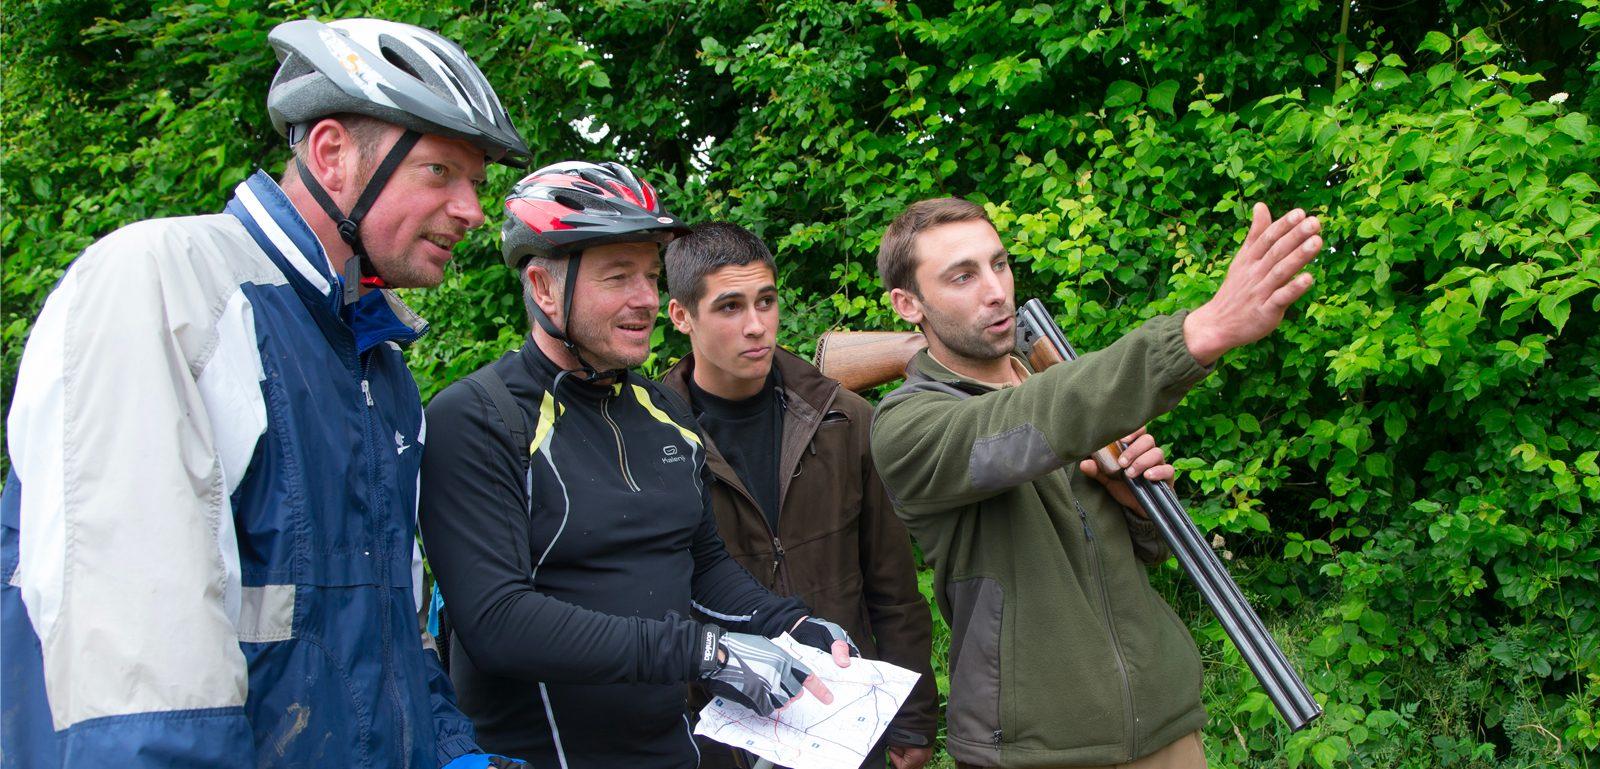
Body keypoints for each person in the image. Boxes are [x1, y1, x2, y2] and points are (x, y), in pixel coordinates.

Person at [0, 18, 532, 769]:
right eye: (442, 172)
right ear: (332, 154)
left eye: (476, 182)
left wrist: (452, 753)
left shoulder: (378, 369)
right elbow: (139, 679)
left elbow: (381, 637)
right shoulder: (168, 284)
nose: (473, 210)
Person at [417, 162, 855, 769]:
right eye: (618, 277)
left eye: (651, 276)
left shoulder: (662, 409)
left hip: (671, 750)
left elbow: (702, 564)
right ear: (544, 288)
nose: (646, 299)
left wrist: (791, 624)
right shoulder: (476, 418)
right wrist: (707, 652)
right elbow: (496, 622)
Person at [868, 197, 1323, 769]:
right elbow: (1021, 426)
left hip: (1163, 725)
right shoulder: (908, 425)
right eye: (962, 276)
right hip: (1034, 748)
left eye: (1000, 264)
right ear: (909, 304)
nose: (995, 290)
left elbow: (1146, 553)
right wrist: (1198, 333)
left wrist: (1136, 502)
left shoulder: (1063, 388)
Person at [658, 222, 939, 769]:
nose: (757, 326)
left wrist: (911, 716)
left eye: (766, 301)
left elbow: (895, 591)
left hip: (849, 725)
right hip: (721, 739)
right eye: (730, 307)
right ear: (680, 316)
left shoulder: (848, 420)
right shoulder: (653, 440)